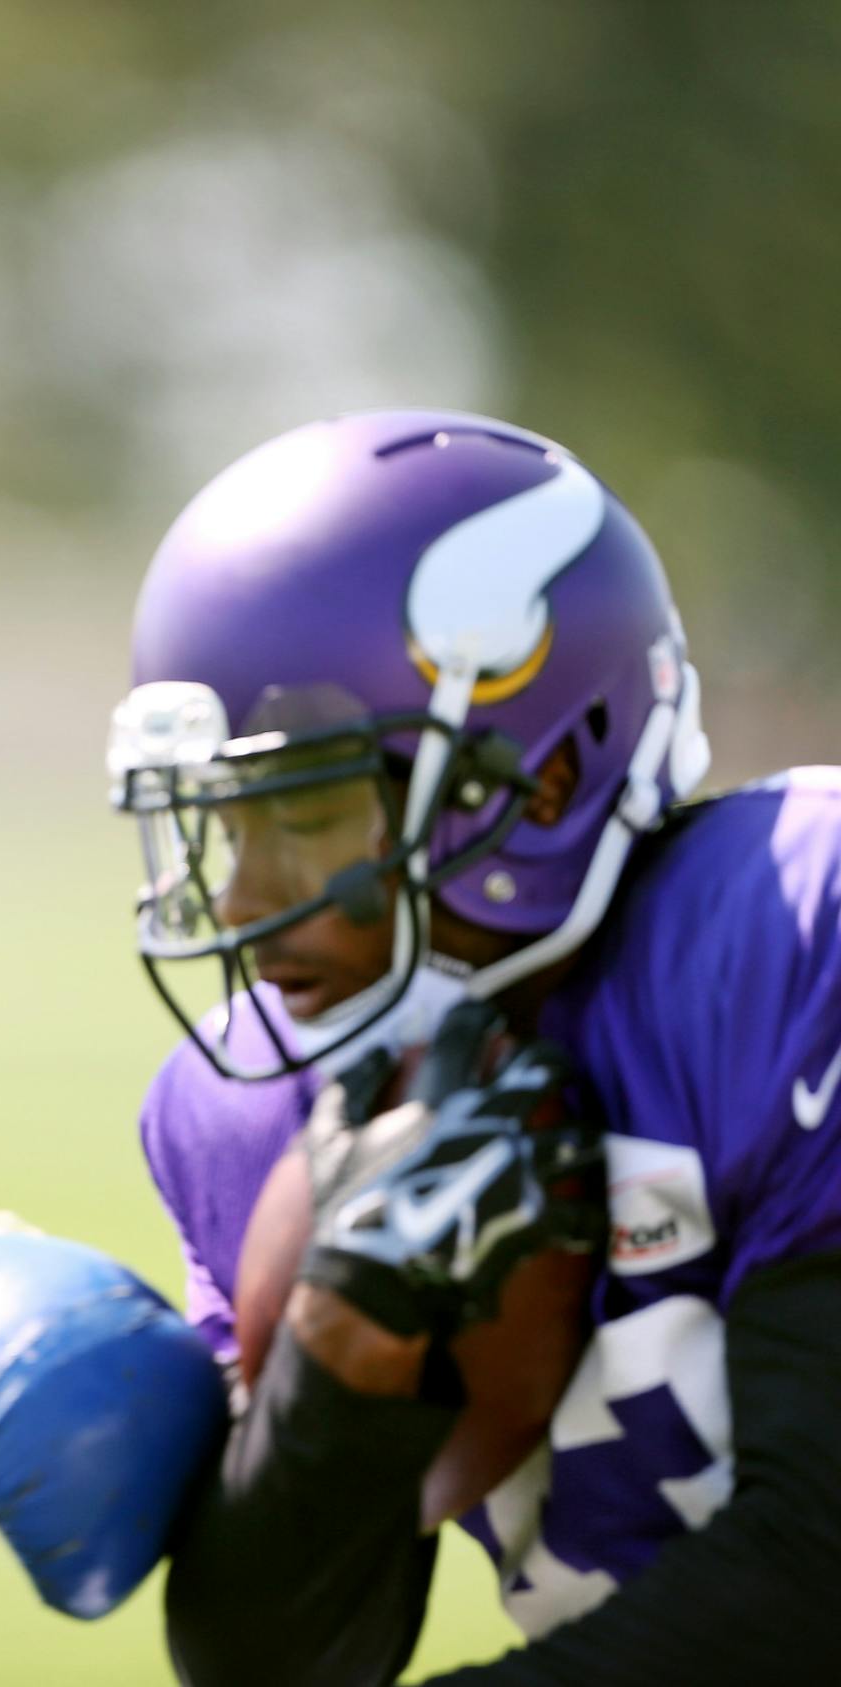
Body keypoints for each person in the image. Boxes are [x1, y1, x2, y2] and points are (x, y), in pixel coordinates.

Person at [108, 409, 841, 1681]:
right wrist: (343, 1360)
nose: (238, 900)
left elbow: (816, 1563)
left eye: (305, 815)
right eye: (227, 822)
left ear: (536, 788)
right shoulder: (255, 1109)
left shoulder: (788, 931)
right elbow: (276, 1653)